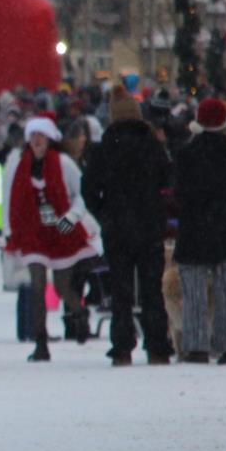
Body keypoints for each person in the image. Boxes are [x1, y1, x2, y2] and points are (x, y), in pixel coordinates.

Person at [84, 87, 172, 366]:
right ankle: (157, 346)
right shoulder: (153, 146)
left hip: (117, 229)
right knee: (152, 289)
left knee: (120, 291)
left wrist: (104, 214)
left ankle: (122, 347)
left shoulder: (104, 149)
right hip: (149, 226)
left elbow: (89, 190)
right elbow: (167, 182)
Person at [3, 114, 100, 362]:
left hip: (61, 232)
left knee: (62, 287)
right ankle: (41, 342)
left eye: (41, 136)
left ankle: (79, 314)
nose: (37, 140)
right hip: (33, 234)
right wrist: (9, 231)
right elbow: (11, 200)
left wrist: (72, 216)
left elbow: (80, 194)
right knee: (36, 285)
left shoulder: (64, 163)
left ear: (49, 139)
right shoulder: (19, 164)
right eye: (33, 136)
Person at [171, 98, 226, 364]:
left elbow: (179, 192)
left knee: (194, 291)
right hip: (225, 227)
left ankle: (196, 345)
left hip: (193, 228)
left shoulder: (186, 153)